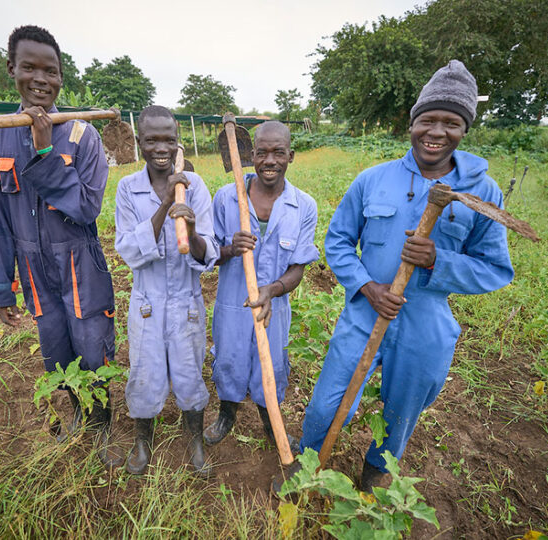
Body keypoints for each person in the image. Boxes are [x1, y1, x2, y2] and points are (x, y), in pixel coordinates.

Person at [296, 60, 514, 492]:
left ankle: (376, 473)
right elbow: (338, 240)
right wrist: (366, 286)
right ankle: (308, 466)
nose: (436, 132)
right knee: (327, 402)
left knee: (403, 409)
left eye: (450, 123)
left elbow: (495, 268)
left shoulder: (482, 193)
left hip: (424, 321)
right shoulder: (373, 180)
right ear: (412, 123)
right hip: (364, 311)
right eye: (427, 120)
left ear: (464, 129)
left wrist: (438, 261)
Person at [0, 25, 122, 469]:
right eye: (29, 68)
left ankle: (101, 427)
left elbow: (86, 208)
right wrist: (0, 286)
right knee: (55, 348)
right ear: (12, 70)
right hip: (33, 265)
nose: (41, 79)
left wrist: (42, 154)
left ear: (61, 77)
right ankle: (75, 415)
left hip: (80, 259)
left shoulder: (81, 135)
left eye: (51, 71)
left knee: (93, 346)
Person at [114, 106, 218, 475]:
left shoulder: (196, 185)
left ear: (178, 143)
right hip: (146, 304)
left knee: (190, 373)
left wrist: (189, 231)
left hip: (187, 302)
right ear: (139, 142)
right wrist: (165, 206)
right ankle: (142, 441)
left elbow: (210, 251)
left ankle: (194, 442)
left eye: (168, 140)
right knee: (144, 372)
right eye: (152, 139)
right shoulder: (128, 189)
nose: (161, 147)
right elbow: (129, 251)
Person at [205, 121, 319, 451]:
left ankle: (271, 424)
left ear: (291, 155)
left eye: (278, 152)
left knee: (272, 364)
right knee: (228, 357)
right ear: (251, 155)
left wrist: (273, 289)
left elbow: (297, 268)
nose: (270, 160)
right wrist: (229, 248)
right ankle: (227, 414)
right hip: (231, 302)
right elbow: (209, 254)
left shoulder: (304, 206)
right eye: (262, 152)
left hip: (275, 304)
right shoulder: (227, 198)